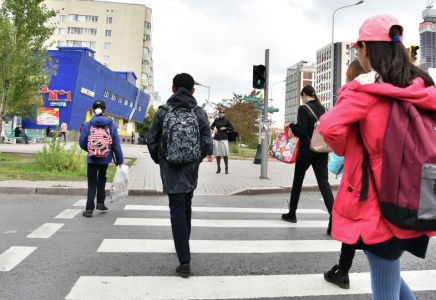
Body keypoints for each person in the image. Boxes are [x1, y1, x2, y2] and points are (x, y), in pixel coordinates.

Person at [318, 15, 436, 299]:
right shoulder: (421, 87)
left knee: (385, 285)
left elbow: (328, 126)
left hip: (376, 203)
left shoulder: (365, 91)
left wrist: (350, 146)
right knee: (389, 273)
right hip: (414, 195)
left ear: (366, 49)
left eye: (359, 49)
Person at [147, 73, 213, 278]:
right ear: (193, 91)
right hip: (190, 168)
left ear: (173, 88)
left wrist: (163, 159)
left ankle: (184, 261)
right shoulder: (199, 113)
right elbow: (207, 143)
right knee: (186, 205)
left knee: (176, 209)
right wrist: (195, 159)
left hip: (170, 167)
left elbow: (152, 140)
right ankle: (183, 244)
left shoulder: (164, 112)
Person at [324, 59, 366, 289]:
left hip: (358, 173)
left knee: (354, 223)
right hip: (369, 172)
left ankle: (342, 270)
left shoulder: (356, 96)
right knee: (360, 225)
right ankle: (342, 269)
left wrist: (340, 153)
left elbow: (330, 127)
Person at [281, 85, 334, 235]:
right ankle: (334, 216)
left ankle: (292, 213)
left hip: (306, 151)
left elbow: (300, 130)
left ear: (304, 95)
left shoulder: (303, 108)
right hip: (321, 151)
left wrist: (291, 125)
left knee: (298, 181)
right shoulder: (322, 109)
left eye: (301, 96)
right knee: (324, 184)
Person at [79, 100, 124, 218]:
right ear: (105, 110)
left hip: (92, 159)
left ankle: (89, 209)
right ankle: (100, 203)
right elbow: (116, 144)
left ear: (93, 110)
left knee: (92, 182)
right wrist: (120, 161)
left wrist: (91, 150)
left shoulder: (88, 124)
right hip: (105, 158)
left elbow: (82, 142)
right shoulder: (111, 124)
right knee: (102, 178)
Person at [210, 109, 234, 174]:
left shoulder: (227, 120)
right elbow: (211, 126)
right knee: (218, 154)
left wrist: (225, 128)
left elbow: (232, 128)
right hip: (217, 138)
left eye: (223, 112)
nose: (222, 113)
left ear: (225, 113)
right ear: (219, 113)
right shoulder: (216, 120)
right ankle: (218, 168)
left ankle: (226, 168)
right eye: (221, 112)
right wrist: (214, 128)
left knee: (225, 154)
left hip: (224, 138)